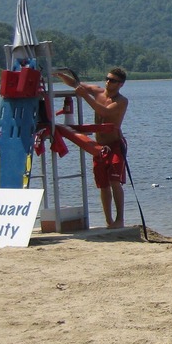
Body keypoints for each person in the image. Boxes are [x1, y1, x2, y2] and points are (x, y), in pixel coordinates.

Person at [54, 66, 129, 229]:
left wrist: (85, 96)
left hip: (115, 144)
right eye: (107, 79)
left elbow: (104, 112)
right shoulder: (97, 91)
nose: (108, 82)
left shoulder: (121, 101)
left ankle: (120, 219)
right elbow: (76, 84)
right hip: (100, 146)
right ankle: (109, 221)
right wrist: (60, 75)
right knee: (103, 184)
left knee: (115, 181)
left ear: (120, 84)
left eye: (112, 80)